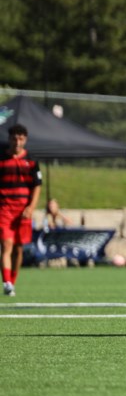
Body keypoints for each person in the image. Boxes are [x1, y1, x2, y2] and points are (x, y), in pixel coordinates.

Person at [1, 124, 42, 297]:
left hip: (23, 211)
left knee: (18, 248)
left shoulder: (32, 161)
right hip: (4, 209)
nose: (17, 142)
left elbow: (37, 186)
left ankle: (13, 281)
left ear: (25, 140)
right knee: (6, 245)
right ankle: (7, 282)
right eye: (14, 138)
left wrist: (31, 207)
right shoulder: (1, 158)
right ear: (9, 139)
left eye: (21, 139)